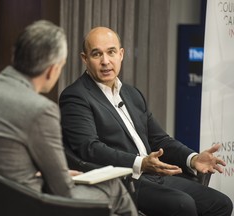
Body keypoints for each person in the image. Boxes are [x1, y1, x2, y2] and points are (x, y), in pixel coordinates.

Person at [0, 21, 138, 216]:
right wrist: (58, 176)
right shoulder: (41, 110)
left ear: (17, 54)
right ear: (52, 70)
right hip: (21, 203)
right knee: (115, 189)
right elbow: (63, 191)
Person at [59, 26, 233, 216]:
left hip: (153, 176)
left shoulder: (132, 94)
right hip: (122, 182)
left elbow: (160, 139)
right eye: (96, 54)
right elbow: (89, 148)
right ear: (85, 59)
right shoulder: (76, 96)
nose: (105, 61)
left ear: (121, 54)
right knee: (183, 205)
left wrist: (192, 158)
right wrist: (140, 163)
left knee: (221, 203)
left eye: (111, 52)